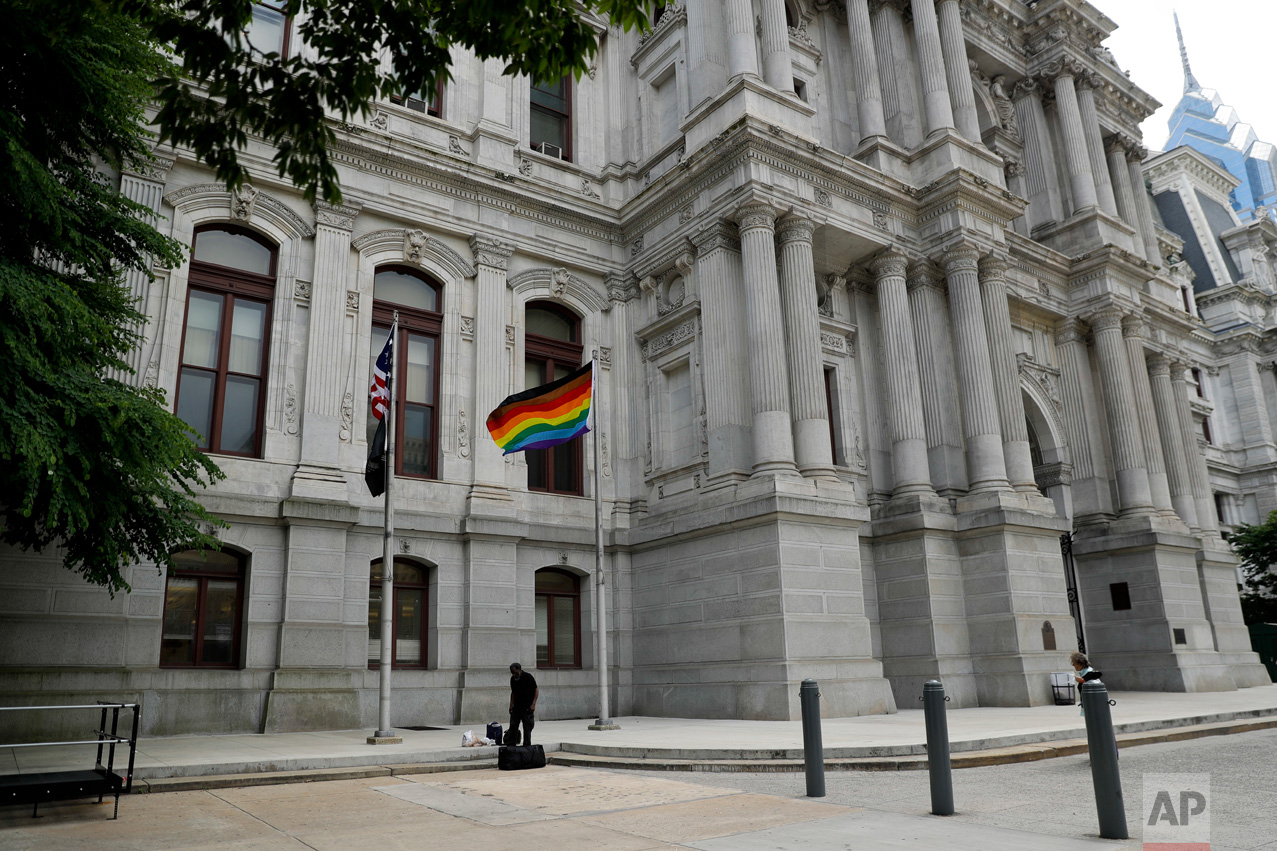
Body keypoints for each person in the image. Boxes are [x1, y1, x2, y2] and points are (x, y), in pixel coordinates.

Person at [508, 662, 538, 746]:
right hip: (517, 707)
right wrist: (511, 705)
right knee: (513, 727)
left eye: (515, 672)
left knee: (527, 728)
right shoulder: (512, 679)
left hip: (527, 707)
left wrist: (533, 704)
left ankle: (527, 746)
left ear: (519, 669)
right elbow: (513, 693)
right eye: (512, 673)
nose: (514, 675)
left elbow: (536, 690)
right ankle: (511, 745)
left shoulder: (528, 677)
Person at [1071, 652, 1097, 716]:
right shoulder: (1085, 673)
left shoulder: (1089, 673)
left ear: (1080, 663)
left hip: (1092, 707)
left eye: (1074, 663)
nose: (1073, 665)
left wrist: (1083, 681)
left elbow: (1095, 686)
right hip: (1088, 705)